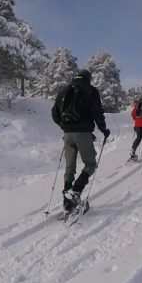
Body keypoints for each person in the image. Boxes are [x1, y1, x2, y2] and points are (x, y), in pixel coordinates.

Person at [51, 69, 110, 213]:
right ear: (88, 78)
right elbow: (97, 112)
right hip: (83, 133)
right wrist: (103, 129)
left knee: (69, 168)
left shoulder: (65, 90)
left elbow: (54, 113)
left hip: (68, 134)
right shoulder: (90, 90)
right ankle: (76, 191)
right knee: (90, 164)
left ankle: (67, 204)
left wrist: (64, 126)